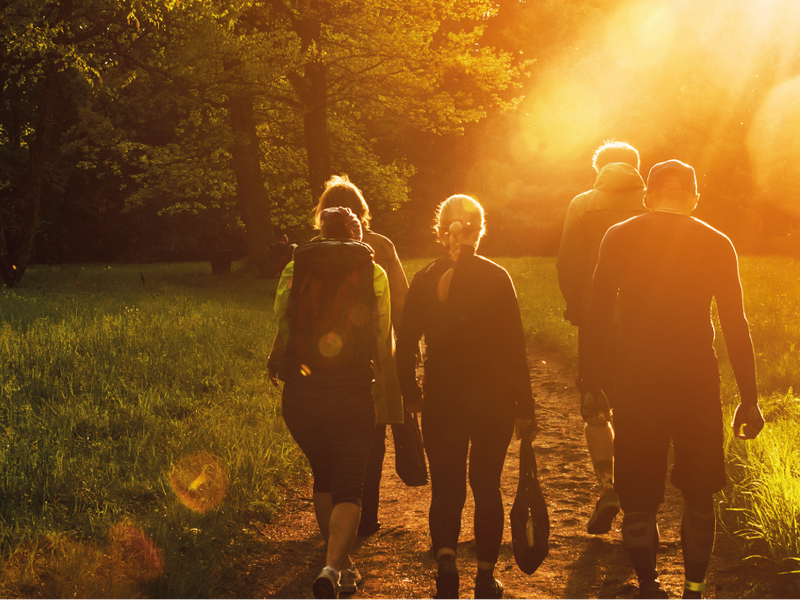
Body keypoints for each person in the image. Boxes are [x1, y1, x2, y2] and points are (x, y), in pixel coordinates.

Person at [581, 160, 765, 600]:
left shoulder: (620, 235)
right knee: (700, 493)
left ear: (648, 196)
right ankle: (694, 590)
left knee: (639, 495)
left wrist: (590, 381)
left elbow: (598, 312)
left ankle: (648, 586)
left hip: (636, 381)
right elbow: (735, 323)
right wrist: (750, 397)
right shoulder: (717, 243)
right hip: (697, 381)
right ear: (695, 199)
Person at [396, 195, 537, 600]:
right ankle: (485, 576)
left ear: (442, 233)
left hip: (443, 398)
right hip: (494, 400)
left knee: (446, 489)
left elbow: (404, 347)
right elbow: (516, 349)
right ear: (480, 231)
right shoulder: (497, 277)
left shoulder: (424, 278)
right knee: (486, 486)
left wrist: (411, 394)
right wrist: (525, 407)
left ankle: (445, 562)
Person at [267, 206, 391, 600]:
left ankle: (340, 564)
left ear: (320, 232)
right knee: (350, 484)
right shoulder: (373, 271)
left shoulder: (295, 266)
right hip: (353, 389)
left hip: (302, 390)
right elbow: (381, 332)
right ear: (358, 233)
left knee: (323, 473)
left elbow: (282, 322)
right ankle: (334, 567)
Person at [556, 140, 647, 535]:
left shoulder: (582, 203)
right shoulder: (654, 202)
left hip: (597, 321)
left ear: (599, 168)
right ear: (636, 167)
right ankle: (639, 500)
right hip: (646, 324)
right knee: (637, 408)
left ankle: (608, 487)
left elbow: (569, 263)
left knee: (595, 404)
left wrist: (579, 307)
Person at [312, 174, 411, 538]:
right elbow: (401, 305)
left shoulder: (310, 251)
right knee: (372, 440)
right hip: (373, 364)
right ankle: (365, 518)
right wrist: (408, 352)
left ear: (324, 214)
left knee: (332, 438)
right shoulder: (381, 247)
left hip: (323, 362)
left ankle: (335, 518)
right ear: (361, 212)